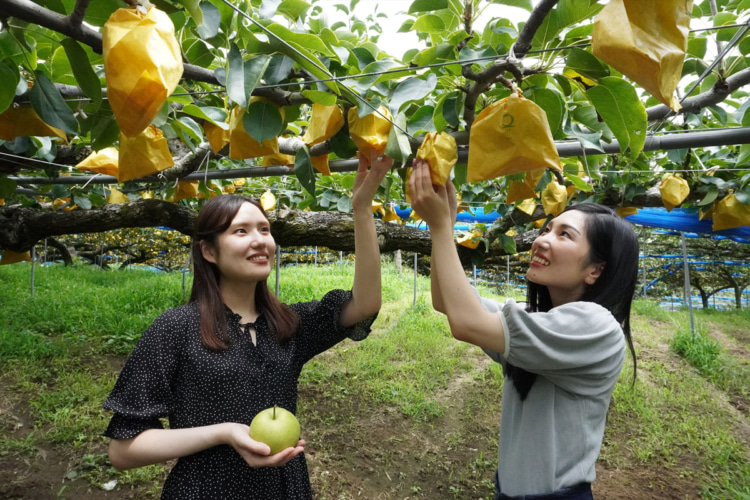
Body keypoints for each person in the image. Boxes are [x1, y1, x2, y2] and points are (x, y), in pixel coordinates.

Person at [102, 152, 393, 499]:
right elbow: (124, 450)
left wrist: (361, 210)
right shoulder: (176, 329)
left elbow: (364, 305)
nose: (260, 241)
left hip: (284, 489)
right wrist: (222, 432)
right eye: (241, 231)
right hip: (207, 490)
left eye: (265, 230)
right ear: (209, 251)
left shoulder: (286, 325)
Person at [408, 159, 639, 500]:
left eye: (565, 235)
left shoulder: (596, 326)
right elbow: (447, 302)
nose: (543, 240)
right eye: (547, 229)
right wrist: (443, 224)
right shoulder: (538, 319)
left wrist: (441, 226)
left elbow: (466, 322)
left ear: (595, 270)